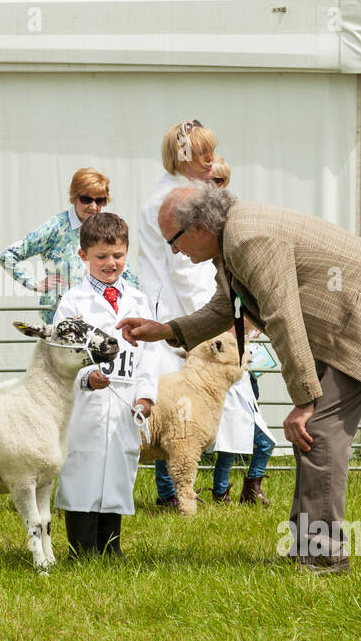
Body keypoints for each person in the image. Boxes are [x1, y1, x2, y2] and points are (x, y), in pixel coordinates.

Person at [117, 186, 361, 573]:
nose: (175, 251)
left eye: (173, 241)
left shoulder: (248, 239)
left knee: (318, 431)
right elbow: (225, 308)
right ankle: (304, 549)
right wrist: (166, 330)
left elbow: (282, 315)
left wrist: (305, 398)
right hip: (345, 314)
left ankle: (324, 557)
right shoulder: (232, 238)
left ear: (198, 226)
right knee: (314, 434)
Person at [54, 212, 159, 558]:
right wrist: (85, 376)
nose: (110, 263)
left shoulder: (139, 301)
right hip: (86, 404)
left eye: (117, 255)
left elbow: (149, 356)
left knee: (117, 470)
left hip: (125, 400)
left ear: (127, 252)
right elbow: (61, 353)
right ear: (83, 256)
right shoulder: (72, 302)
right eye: (101, 257)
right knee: (82, 470)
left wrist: (145, 397)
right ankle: (81, 549)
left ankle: (111, 547)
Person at [136, 119, 221, 508]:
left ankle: (175, 490)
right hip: (177, 310)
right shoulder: (176, 199)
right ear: (181, 156)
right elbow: (186, 271)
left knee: (174, 406)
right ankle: (171, 492)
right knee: (174, 407)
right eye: (201, 153)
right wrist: (208, 321)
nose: (210, 160)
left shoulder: (174, 191)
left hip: (171, 308)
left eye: (211, 151)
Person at [208, 157, 277, 505]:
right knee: (227, 437)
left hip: (244, 361)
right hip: (219, 359)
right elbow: (217, 304)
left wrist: (251, 325)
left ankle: (250, 488)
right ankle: (216, 492)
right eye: (209, 180)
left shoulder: (236, 226)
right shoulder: (201, 238)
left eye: (220, 180)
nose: (215, 186)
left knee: (249, 433)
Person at [0, 168, 138, 323]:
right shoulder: (56, 226)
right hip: (61, 319)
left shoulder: (107, 226)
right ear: (74, 198)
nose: (93, 206)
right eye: (86, 199)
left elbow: (127, 274)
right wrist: (34, 284)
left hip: (99, 316)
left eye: (100, 201)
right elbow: (7, 256)